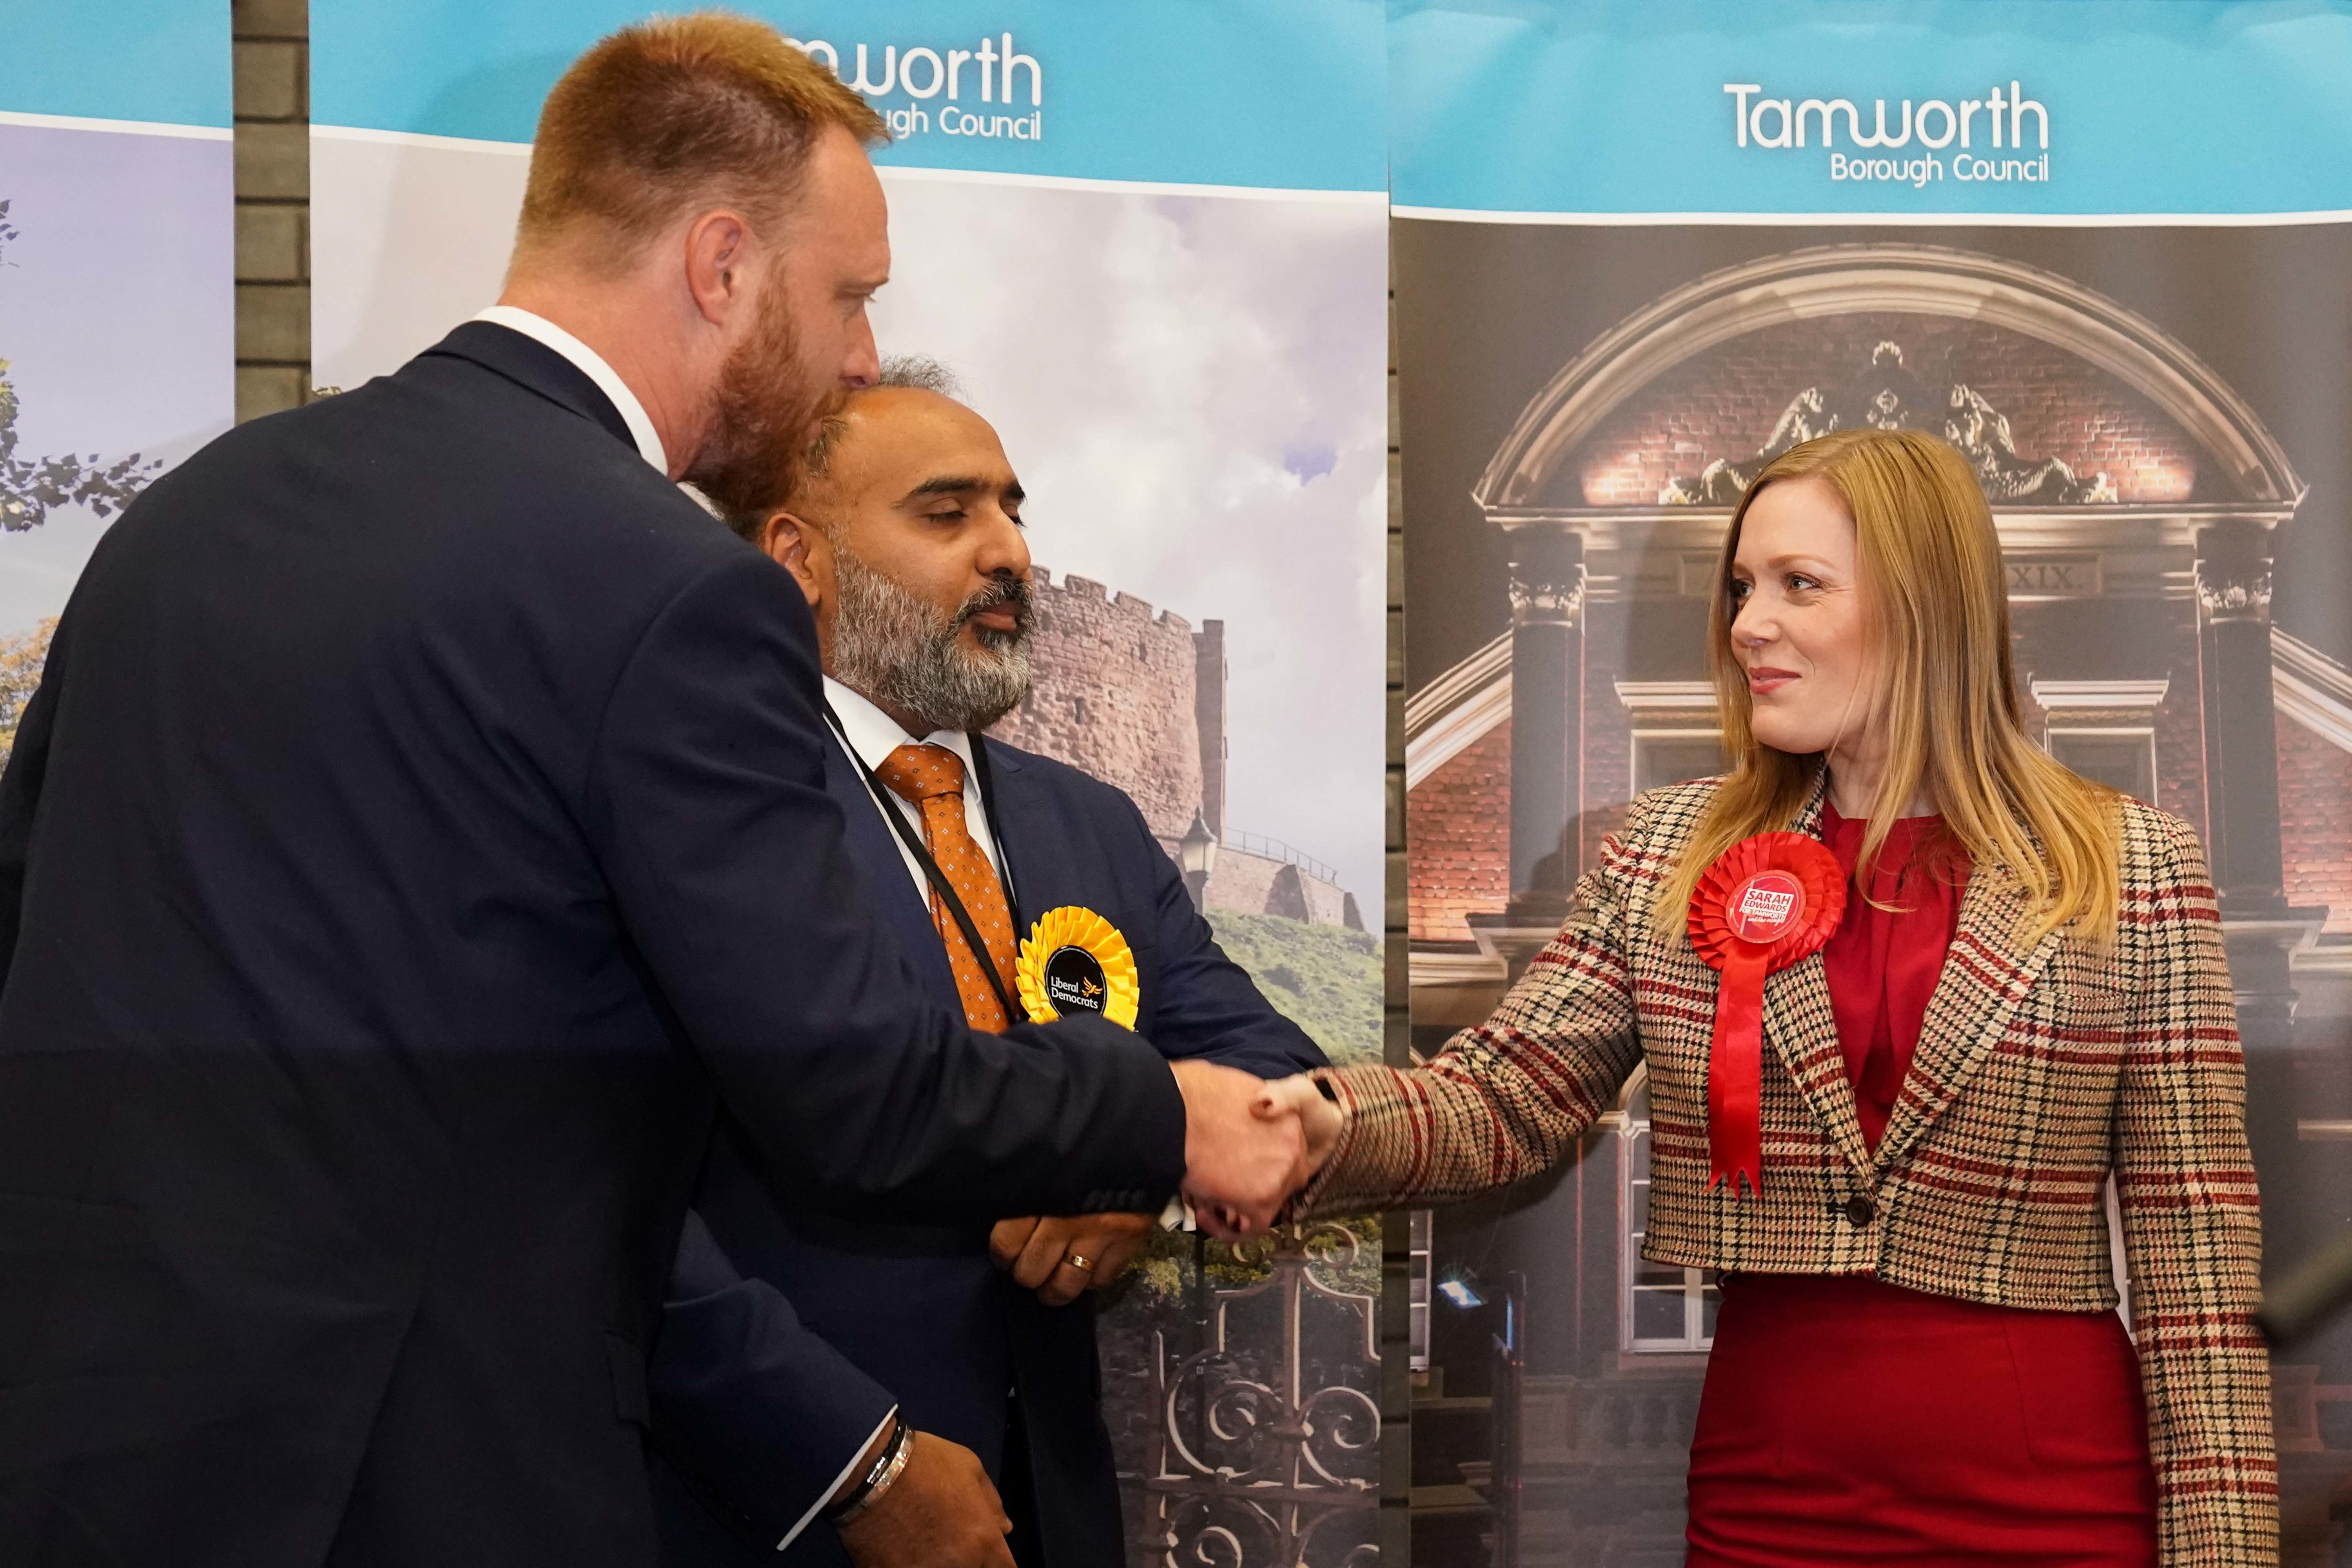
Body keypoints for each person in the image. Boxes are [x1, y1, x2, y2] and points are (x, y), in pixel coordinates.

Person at [0, 18, 1304, 1568]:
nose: (862, 355)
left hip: (108, 1472)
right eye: (850, 295)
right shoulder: (667, 587)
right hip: (440, 1481)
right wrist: (1158, 1108)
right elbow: (853, 1086)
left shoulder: (188, 522)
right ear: (722, 264)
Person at [1267, 428, 2275, 1566]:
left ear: (1926, 607)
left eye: (1800, 585)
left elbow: (2199, 1272)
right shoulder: (1666, 854)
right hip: (1774, 1494)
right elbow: (1507, 1101)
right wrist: (1323, 1121)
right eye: (1744, 587)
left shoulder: (2134, 866)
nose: (1749, 625)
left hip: (2062, 1500)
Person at [645, 361, 1330, 1567]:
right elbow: (609, 1198)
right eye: (948, 513)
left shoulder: (1093, 827)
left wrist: (1132, 1174)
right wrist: (849, 1462)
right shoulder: (697, 808)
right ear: (797, 556)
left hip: (1047, 1512)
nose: (1009, 550)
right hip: (768, 1508)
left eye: (1015, 510)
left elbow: (1274, 1067)